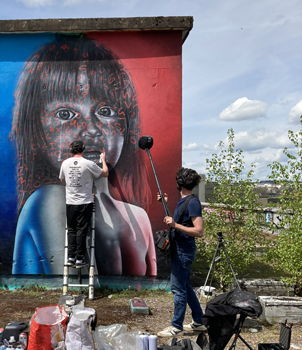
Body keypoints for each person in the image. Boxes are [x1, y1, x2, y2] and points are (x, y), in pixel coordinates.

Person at [11, 35, 156, 275]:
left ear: (125, 124)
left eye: (105, 110)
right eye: (66, 114)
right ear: (36, 127)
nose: (90, 128)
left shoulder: (140, 217)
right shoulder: (48, 201)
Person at [157, 167, 207, 337]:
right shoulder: (184, 201)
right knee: (185, 286)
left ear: (180, 182)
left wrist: (175, 225)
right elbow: (176, 223)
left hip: (183, 251)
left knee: (178, 288)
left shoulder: (193, 202)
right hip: (180, 249)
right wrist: (165, 203)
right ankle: (199, 321)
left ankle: (176, 326)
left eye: (177, 178)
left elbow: (199, 231)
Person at [59, 140, 108, 267]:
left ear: (71, 150)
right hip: (85, 202)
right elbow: (105, 173)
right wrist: (103, 160)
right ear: (83, 149)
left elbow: (63, 179)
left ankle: (70, 257)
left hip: (70, 202)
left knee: (71, 230)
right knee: (81, 230)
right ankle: (79, 259)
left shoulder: (65, 163)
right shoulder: (88, 164)